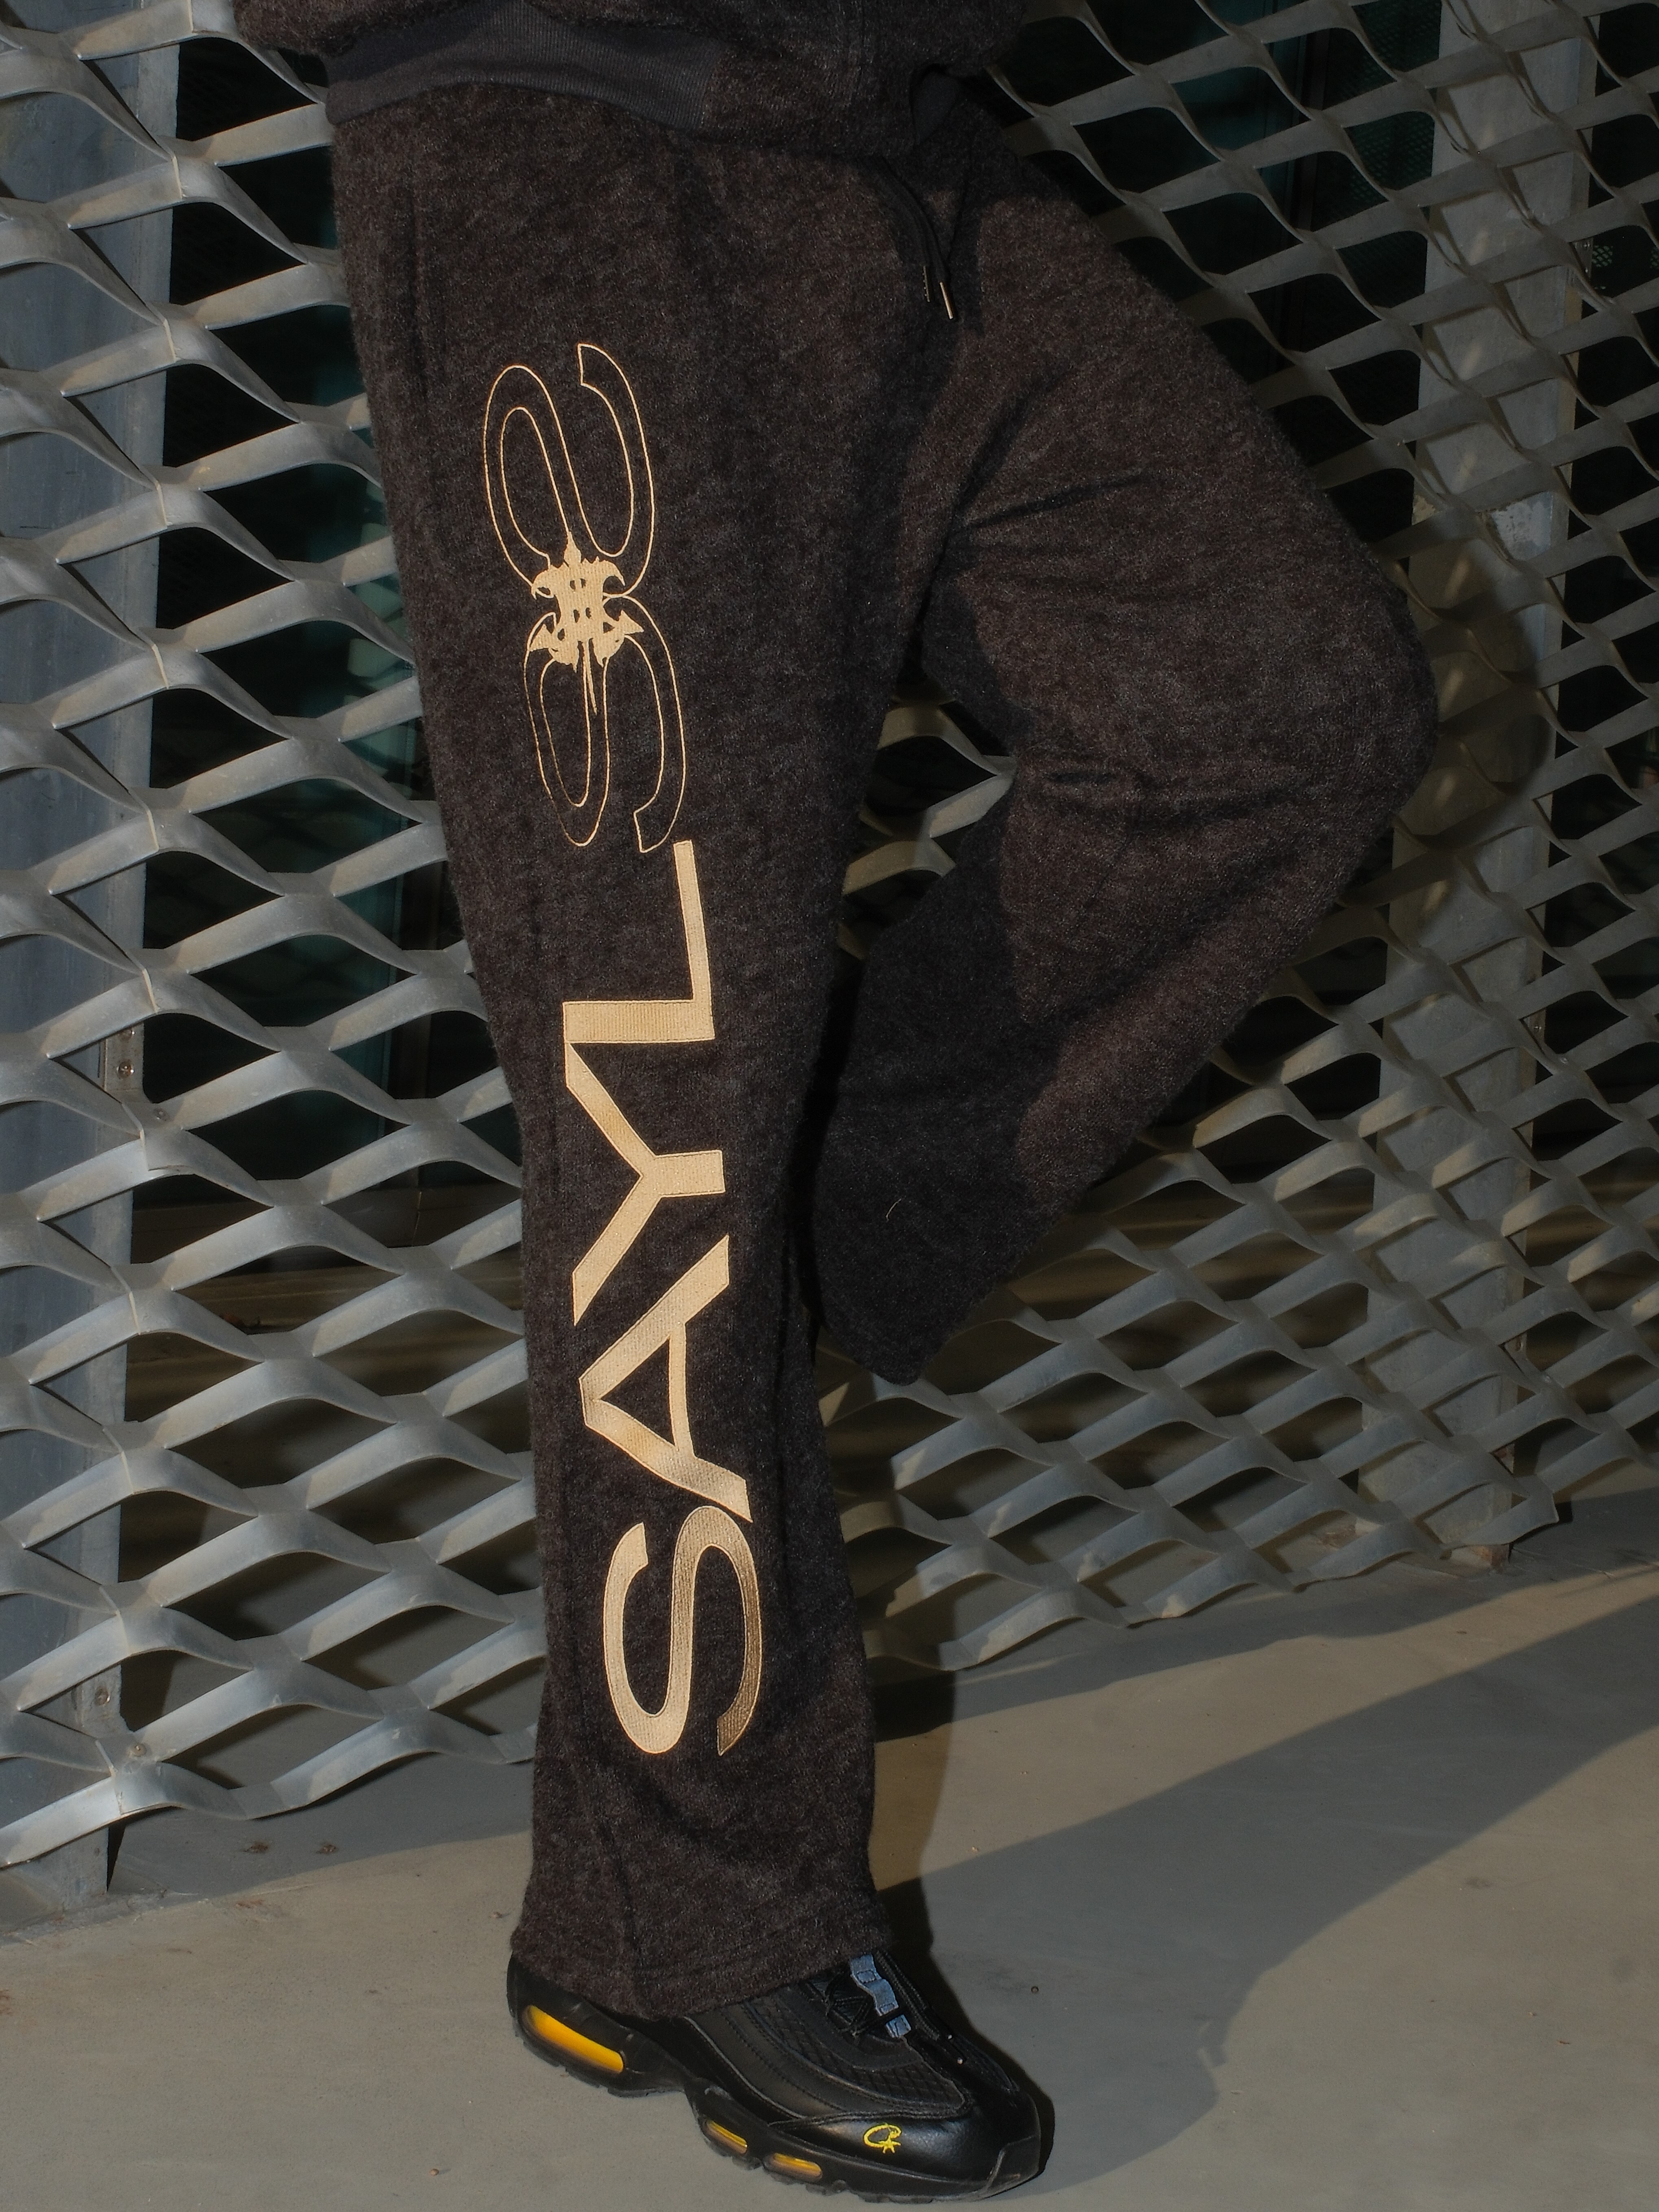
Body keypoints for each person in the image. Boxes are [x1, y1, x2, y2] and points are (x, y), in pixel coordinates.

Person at [228, 0, 1439, 2194]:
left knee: (1285, 711)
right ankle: (709, 1924)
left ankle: (759, 1265)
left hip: (895, 132)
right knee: (661, 1054)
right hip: (575, 144)